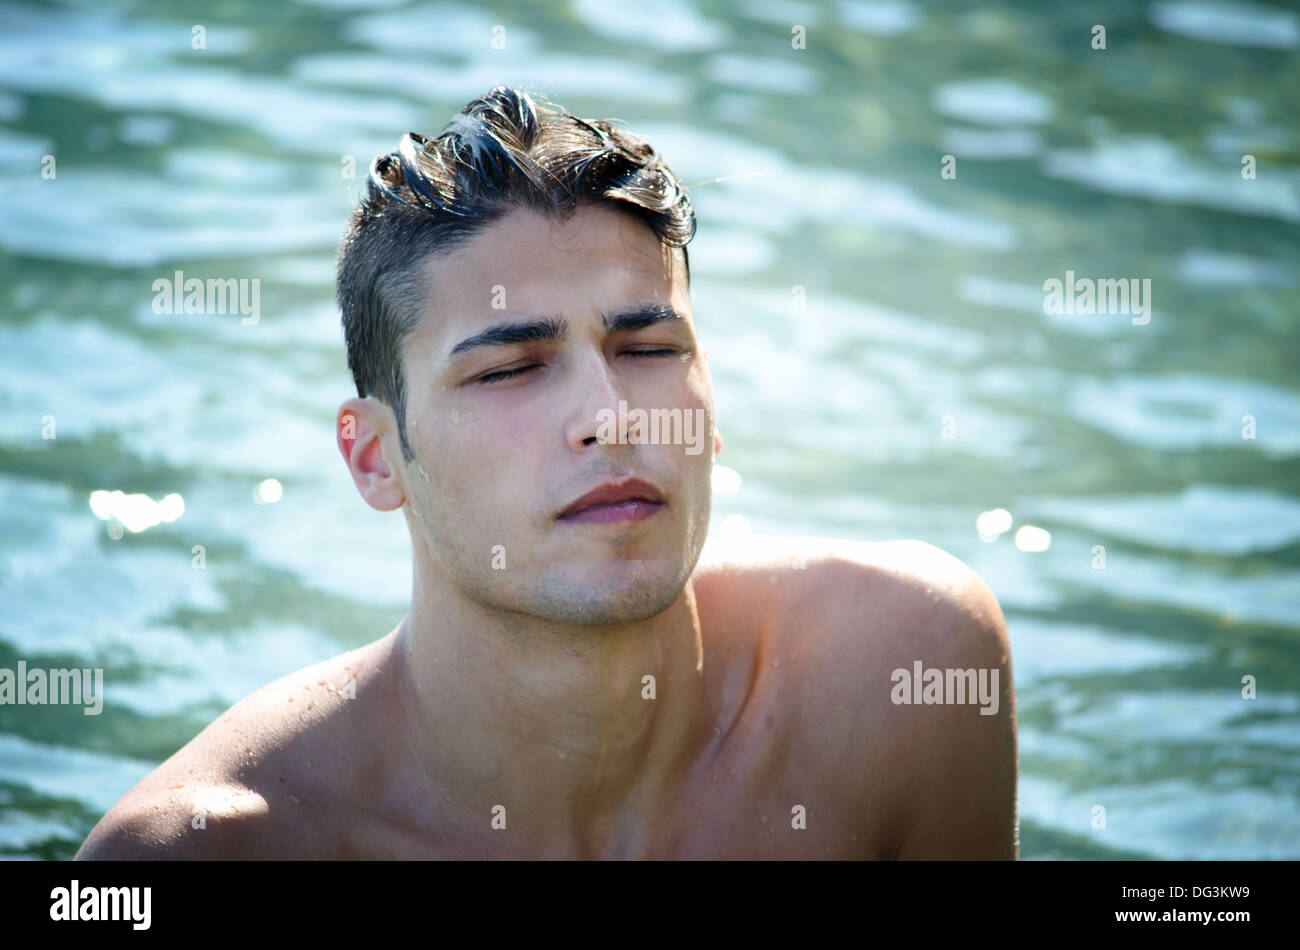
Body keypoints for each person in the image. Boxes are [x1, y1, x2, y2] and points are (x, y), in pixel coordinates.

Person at [77, 86, 1016, 860]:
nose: (610, 416)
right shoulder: (206, 854)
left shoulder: (904, 670)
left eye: (647, 346)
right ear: (374, 457)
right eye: (510, 369)